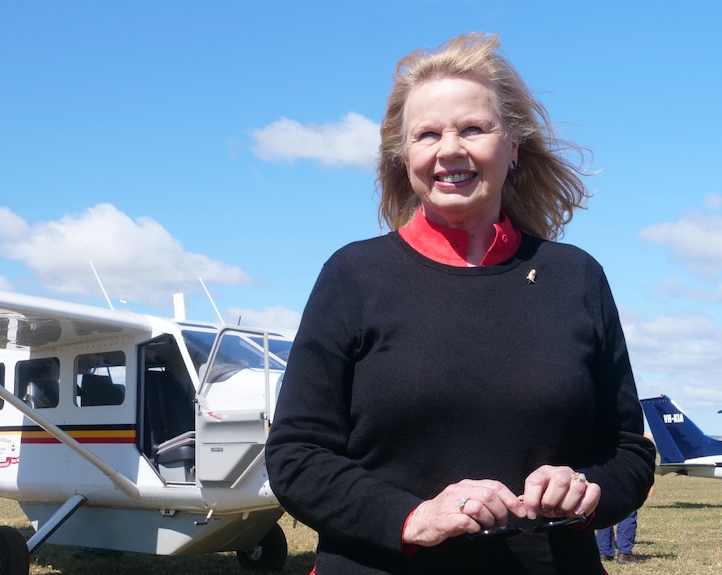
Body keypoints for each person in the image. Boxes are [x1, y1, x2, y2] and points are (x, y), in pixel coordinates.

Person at [264, 32, 656, 574]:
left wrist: (586, 488)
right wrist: (414, 518)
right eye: (428, 134)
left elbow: (629, 453)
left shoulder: (578, 278)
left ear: (513, 146)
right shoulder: (353, 276)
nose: (451, 149)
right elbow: (296, 456)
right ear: (404, 159)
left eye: (474, 128)